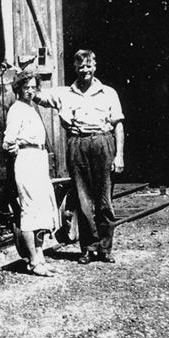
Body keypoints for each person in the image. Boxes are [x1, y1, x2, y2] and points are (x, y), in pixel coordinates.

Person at [32, 49, 125, 264]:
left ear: (95, 67)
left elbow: (118, 125)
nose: (85, 70)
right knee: (82, 199)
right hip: (77, 143)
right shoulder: (64, 93)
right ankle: (88, 248)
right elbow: (35, 94)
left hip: (102, 142)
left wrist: (119, 155)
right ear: (75, 68)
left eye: (88, 66)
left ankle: (105, 248)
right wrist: (25, 70)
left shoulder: (108, 92)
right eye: (81, 66)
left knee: (104, 200)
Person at [3, 69, 60, 276]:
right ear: (18, 88)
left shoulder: (30, 107)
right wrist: (16, 145)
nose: (30, 91)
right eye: (26, 87)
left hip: (38, 159)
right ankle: (34, 261)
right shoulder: (17, 109)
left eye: (33, 87)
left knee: (41, 211)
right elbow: (8, 140)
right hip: (27, 160)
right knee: (29, 211)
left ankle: (40, 258)